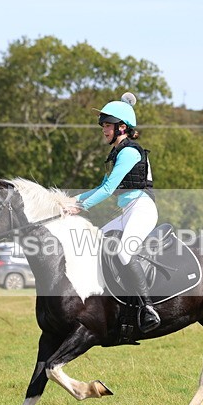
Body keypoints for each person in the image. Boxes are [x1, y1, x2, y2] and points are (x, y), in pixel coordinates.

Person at [64, 92, 161, 333]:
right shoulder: (117, 153)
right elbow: (100, 187)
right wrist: (69, 200)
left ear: (122, 128)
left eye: (107, 125)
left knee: (124, 253)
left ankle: (149, 309)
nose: (104, 130)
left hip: (142, 209)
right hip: (127, 210)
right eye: (104, 126)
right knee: (94, 244)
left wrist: (79, 207)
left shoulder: (129, 152)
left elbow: (108, 190)